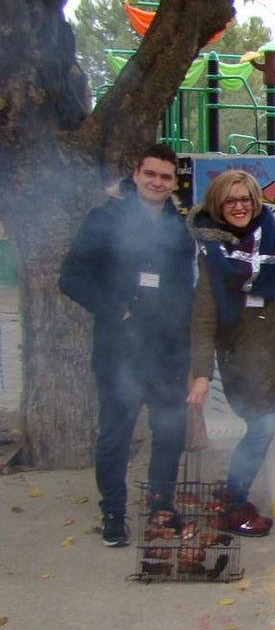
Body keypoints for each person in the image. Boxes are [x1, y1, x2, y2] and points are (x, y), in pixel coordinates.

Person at [59, 144, 194, 547]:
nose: (157, 182)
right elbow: (71, 276)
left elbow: (185, 290)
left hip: (167, 349)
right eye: (150, 174)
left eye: (165, 177)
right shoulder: (105, 218)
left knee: (169, 433)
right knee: (115, 435)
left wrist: (187, 353)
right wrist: (113, 308)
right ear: (136, 174)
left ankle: (160, 506)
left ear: (173, 183)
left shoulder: (178, 226)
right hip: (120, 350)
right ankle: (113, 512)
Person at [186, 170, 275, 537]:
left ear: (255, 202)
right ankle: (233, 502)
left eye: (246, 199)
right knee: (263, 425)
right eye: (231, 200)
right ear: (219, 205)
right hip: (240, 352)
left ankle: (231, 492)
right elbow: (204, 312)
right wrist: (201, 372)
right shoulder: (212, 250)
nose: (240, 207)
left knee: (267, 422)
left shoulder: (269, 232)